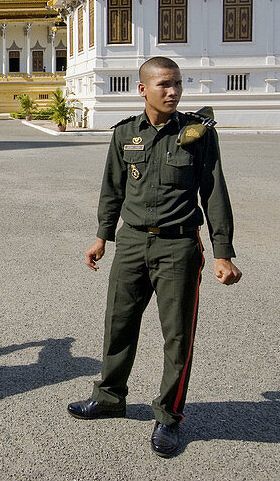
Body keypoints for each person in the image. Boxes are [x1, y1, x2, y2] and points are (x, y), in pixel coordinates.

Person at [68, 56, 242, 459]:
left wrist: (223, 252)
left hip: (178, 246)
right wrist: (101, 236)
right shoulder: (126, 134)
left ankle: (169, 415)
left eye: (178, 84)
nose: (173, 91)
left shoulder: (198, 134)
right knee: (118, 323)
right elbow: (111, 189)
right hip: (131, 243)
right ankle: (110, 396)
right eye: (164, 84)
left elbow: (214, 192)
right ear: (142, 89)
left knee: (177, 336)